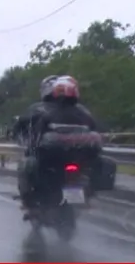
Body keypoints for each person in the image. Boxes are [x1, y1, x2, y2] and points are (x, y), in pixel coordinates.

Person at [15, 74, 103, 212]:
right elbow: (95, 128)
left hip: (55, 158)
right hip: (78, 157)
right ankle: (87, 195)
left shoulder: (40, 109)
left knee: (27, 166)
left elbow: (28, 128)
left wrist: (24, 138)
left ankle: (29, 201)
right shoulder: (83, 111)